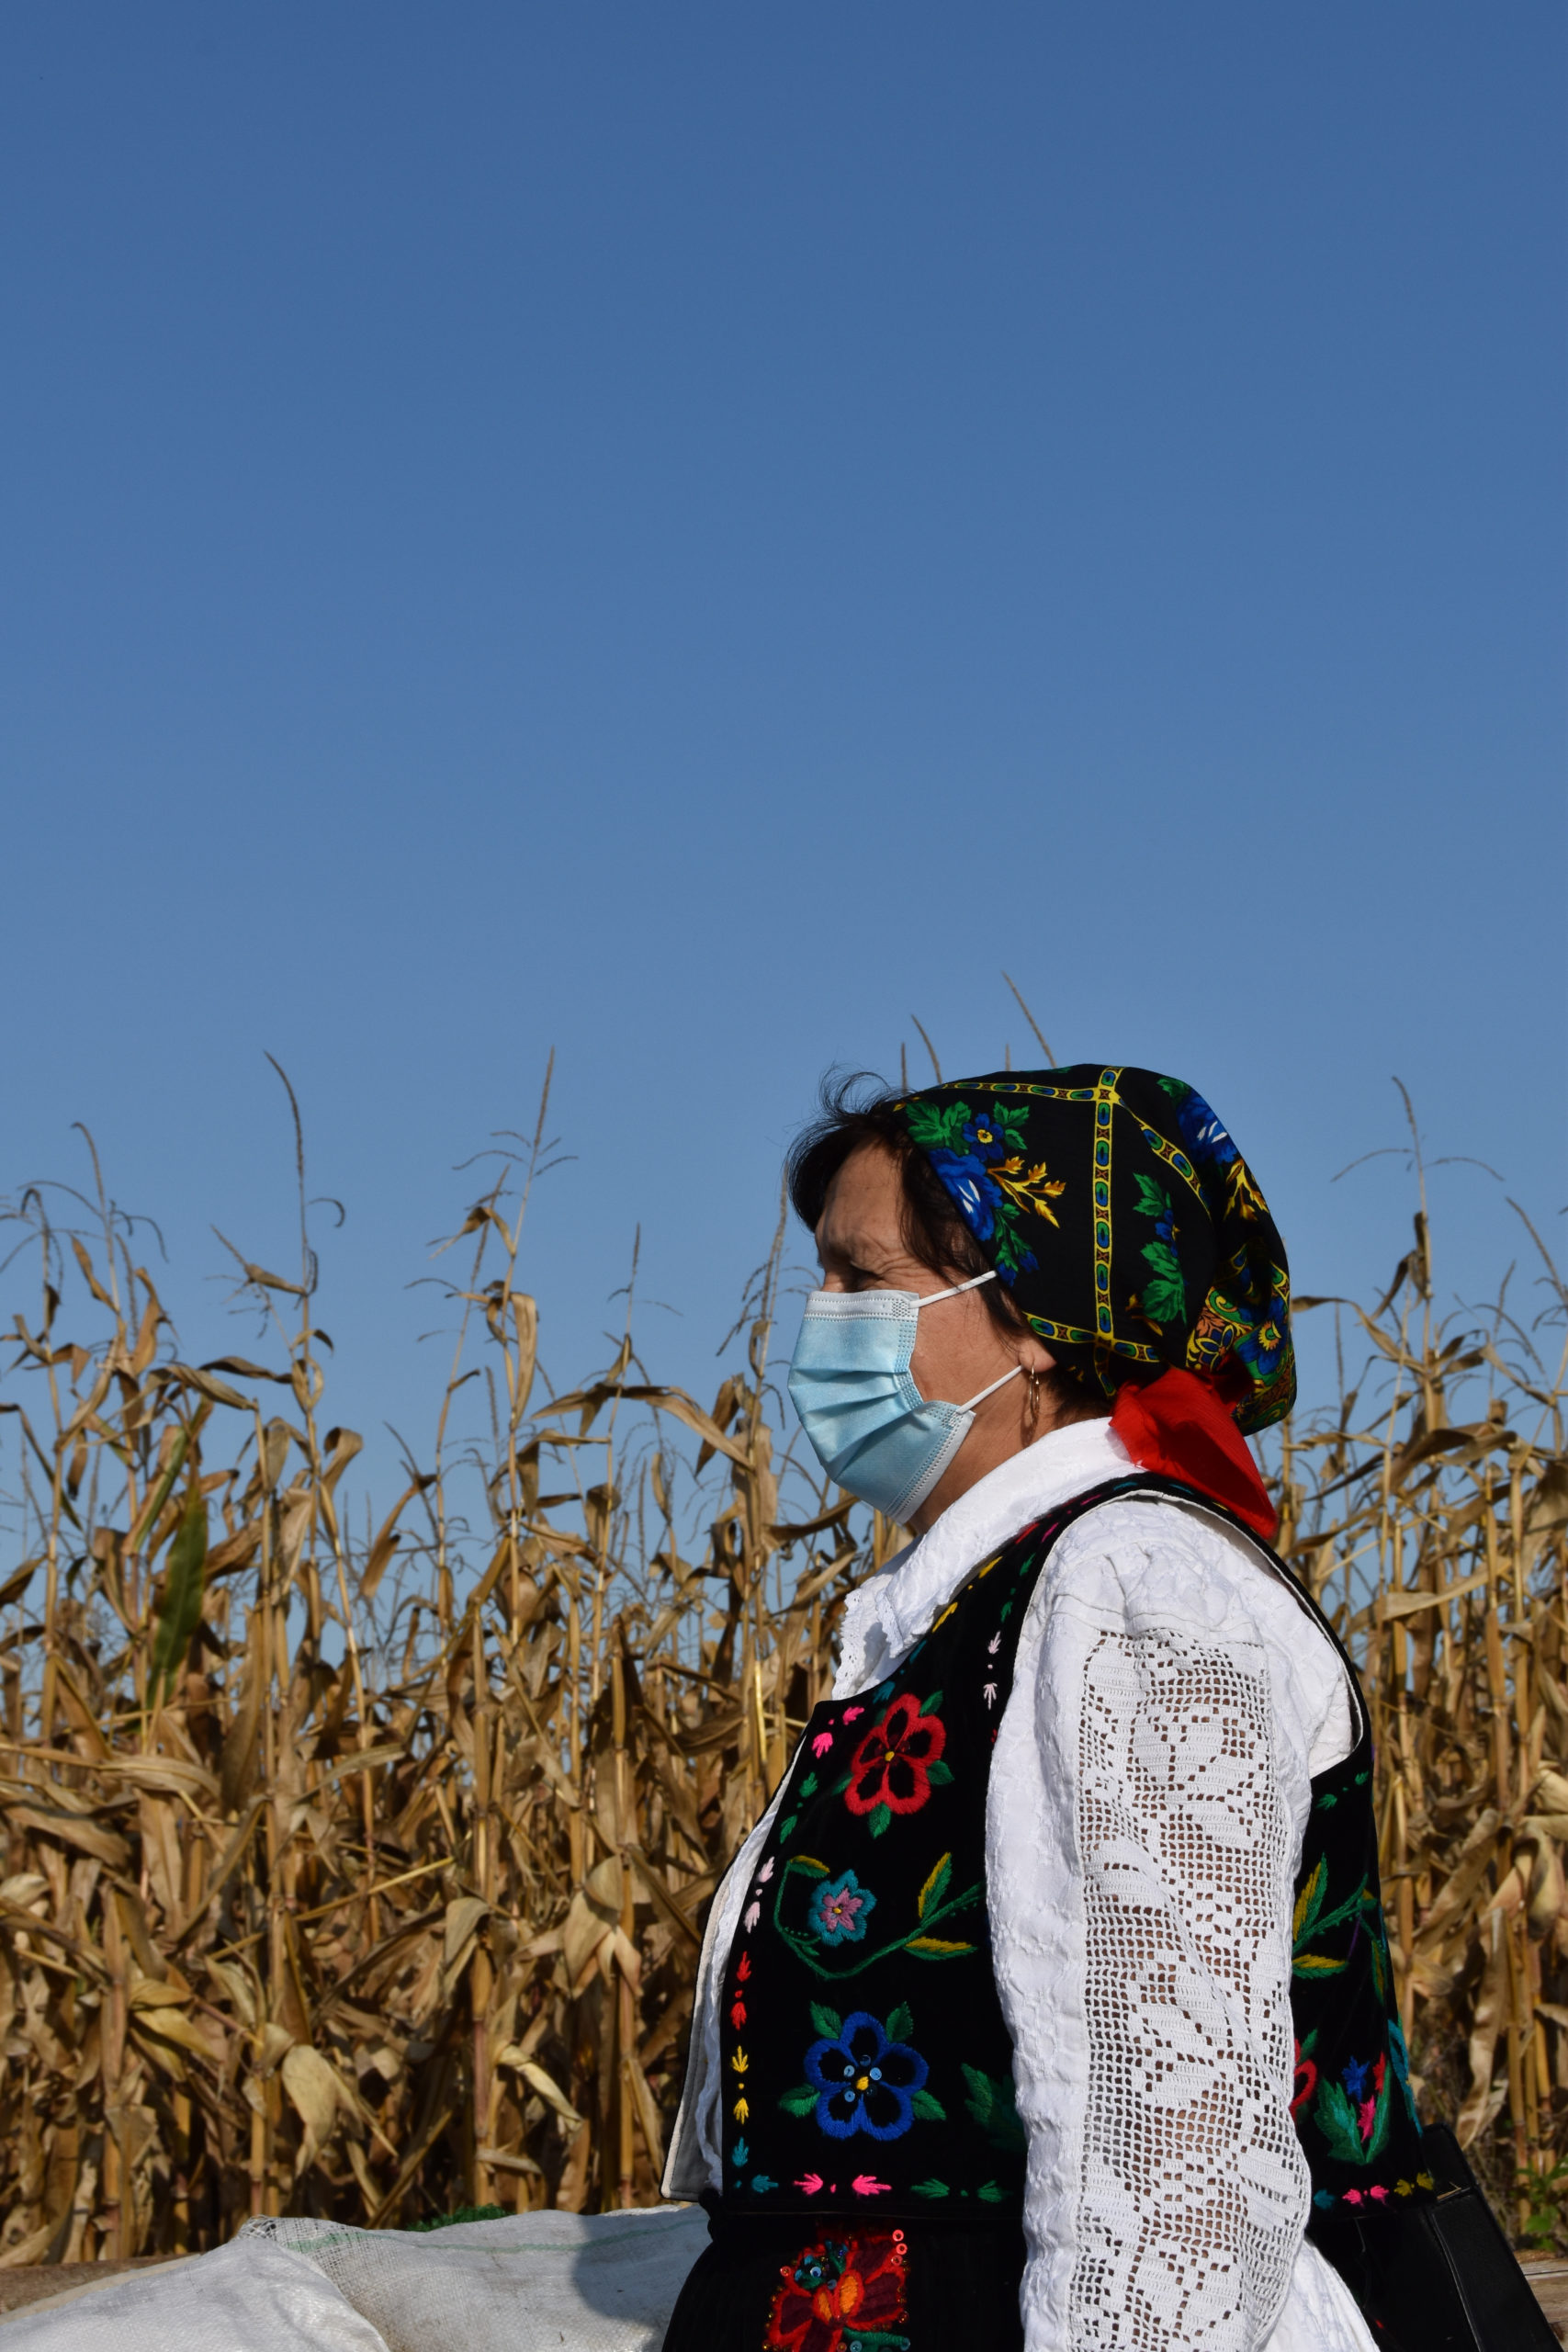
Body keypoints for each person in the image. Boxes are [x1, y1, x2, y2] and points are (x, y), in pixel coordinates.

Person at [659, 1065, 1423, 2352]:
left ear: (1030, 1318)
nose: (816, 1321)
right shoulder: (978, 1601)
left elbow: (1175, 2162)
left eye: (862, 1279)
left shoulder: (1133, 1590)